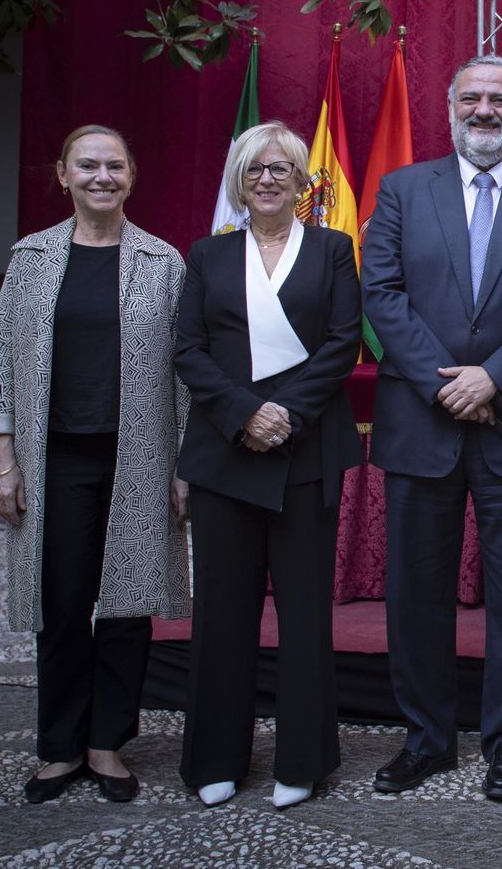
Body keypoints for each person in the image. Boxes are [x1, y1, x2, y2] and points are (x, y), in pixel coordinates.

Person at [362, 54, 502, 800]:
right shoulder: (400, 190)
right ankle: (426, 738)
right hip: (422, 421)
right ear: (450, 105)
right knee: (416, 593)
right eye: (473, 97)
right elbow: (383, 293)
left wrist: (496, 377)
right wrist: (450, 386)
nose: (486, 109)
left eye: (500, 98)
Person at [0, 124, 189, 804]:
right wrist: (1, 459)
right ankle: (59, 746)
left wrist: (184, 464)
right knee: (62, 601)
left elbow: (186, 372)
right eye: (88, 165)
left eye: (115, 165)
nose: (102, 176)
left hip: (139, 457)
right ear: (63, 174)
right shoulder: (32, 257)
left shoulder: (163, 261)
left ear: (132, 176)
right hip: (55, 457)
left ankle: (107, 744)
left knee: (126, 601)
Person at [173, 122, 363, 809]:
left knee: (306, 612)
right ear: (239, 180)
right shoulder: (208, 256)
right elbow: (188, 350)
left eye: (282, 168)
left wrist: (284, 414)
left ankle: (302, 759)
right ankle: (214, 758)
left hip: (306, 451)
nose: (269, 179)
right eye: (256, 169)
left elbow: (344, 344)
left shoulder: (334, 250)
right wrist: (245, 414)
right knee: (222, 611)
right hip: (226, 452)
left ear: (302, 181)